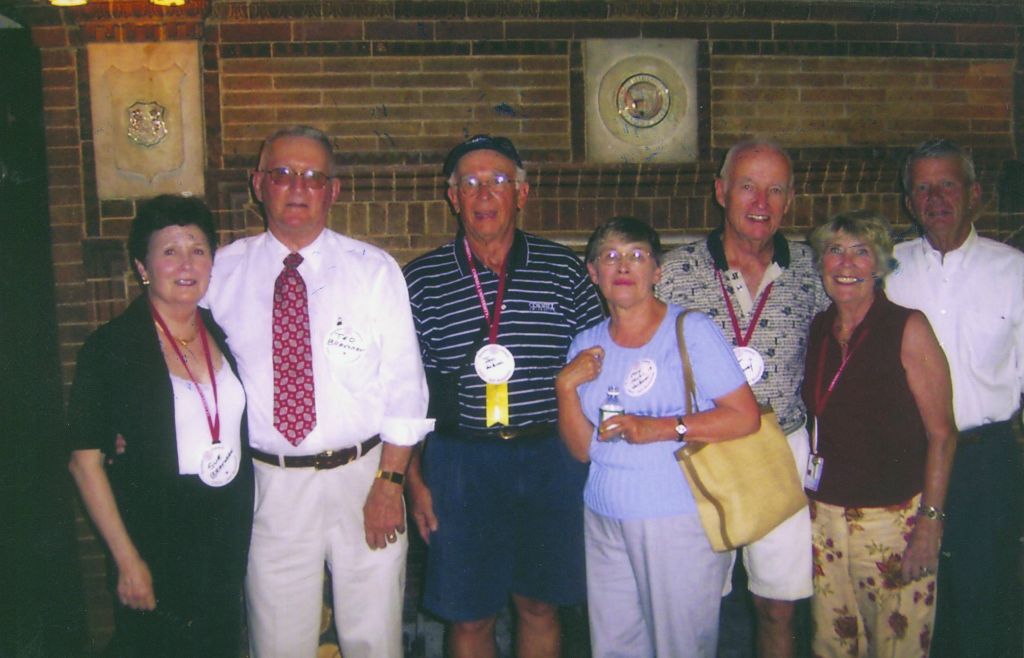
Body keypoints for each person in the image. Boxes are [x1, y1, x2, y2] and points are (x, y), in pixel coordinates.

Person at [202, 125, 432, 657]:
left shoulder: (373, 270)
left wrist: (390, 482)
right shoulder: (221, 273)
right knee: (278, 641)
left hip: (366, 477)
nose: (297, 186)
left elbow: (404, 386)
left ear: (334, 190)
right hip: (270, 485)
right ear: (259, 184)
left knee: (373, 638)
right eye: (282, 174)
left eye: (313, 176)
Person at [403, 134, 604, 658]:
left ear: (522, 193)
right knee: (469, 616)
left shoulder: (564, 273)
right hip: (461, 463)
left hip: (548, 457)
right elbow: (405, 391)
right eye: (470, 182)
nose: (484, 193)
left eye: (498, 181)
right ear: (454, 198)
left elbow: (602, 373)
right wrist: (414, 478)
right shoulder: (419, 281)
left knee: (539, 605)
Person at [556, 217, 760, 656]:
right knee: (614, 647)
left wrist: (663, 428)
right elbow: (581, 450)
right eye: (610, 257)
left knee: (680, 646)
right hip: (604, 515)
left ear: (657, 270)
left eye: (636, 255)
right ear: (593, 273)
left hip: (676, 517)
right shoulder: (585, 343)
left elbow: (745, 417)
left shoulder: (691, 330)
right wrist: (564, 388)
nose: (623, 266)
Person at [656, 139, 829, 657]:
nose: (761, 201)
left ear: (790, 200)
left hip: (782, 448)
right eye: (748, 186)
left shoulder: (812, 270)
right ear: (721, 191)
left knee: (778, 604)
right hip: (705, 452)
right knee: (696, 602)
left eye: (775, 189)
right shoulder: (673, 272)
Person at [67, 195, 253, 657]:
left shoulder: (221, 331)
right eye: (169, 250)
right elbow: (84, 463)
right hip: (157, 533)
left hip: (225, 528)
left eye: (198, 249)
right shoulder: (111, 348)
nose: (186, 263)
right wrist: (127, 561)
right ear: (142, 266)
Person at [886, 138, 1024, 658]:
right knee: (914, 604)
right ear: (908, 201)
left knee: (987, 601)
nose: (935, 198)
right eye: (922, 188)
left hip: (987, 460)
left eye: (947, 185)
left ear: (975, 195)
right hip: (908, 458)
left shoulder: (1015, 271)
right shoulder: (888, 271)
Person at [802, 210, 956, 656]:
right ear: (821, 264)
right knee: (833, 644)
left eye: (860, 252)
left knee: (897, 643)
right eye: (835, 251)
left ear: (880, 265)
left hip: (894, 520)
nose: (846, 264)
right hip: (826, 520)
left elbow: (943, 435)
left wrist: (930, 524)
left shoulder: (908, 327)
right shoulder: (819, 330)